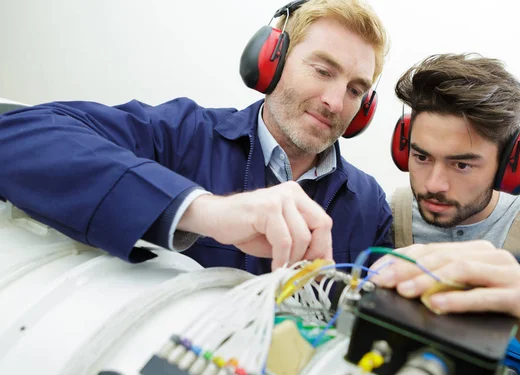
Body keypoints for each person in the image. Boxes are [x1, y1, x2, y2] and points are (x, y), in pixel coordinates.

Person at [0, 0, 393, 274]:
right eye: (323, 71)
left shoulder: (371, 206)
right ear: (271, 61)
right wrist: (205, 212)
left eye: (356, 90)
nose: (335, 102)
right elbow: (16, 138)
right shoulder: (182, 134)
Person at [371, 53, 520, 375]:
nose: (433, 185)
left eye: (461, 164)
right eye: (421, 156)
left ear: (511, 164)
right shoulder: (392, 212)